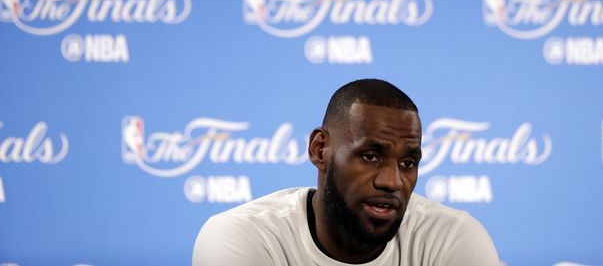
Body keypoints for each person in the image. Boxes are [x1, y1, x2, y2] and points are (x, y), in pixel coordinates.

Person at [193, 79, 500, 266]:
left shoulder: (453, 238)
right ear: (319, 149)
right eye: (370, 156)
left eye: (408, 163)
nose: (391, 181)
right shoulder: (242, 236)